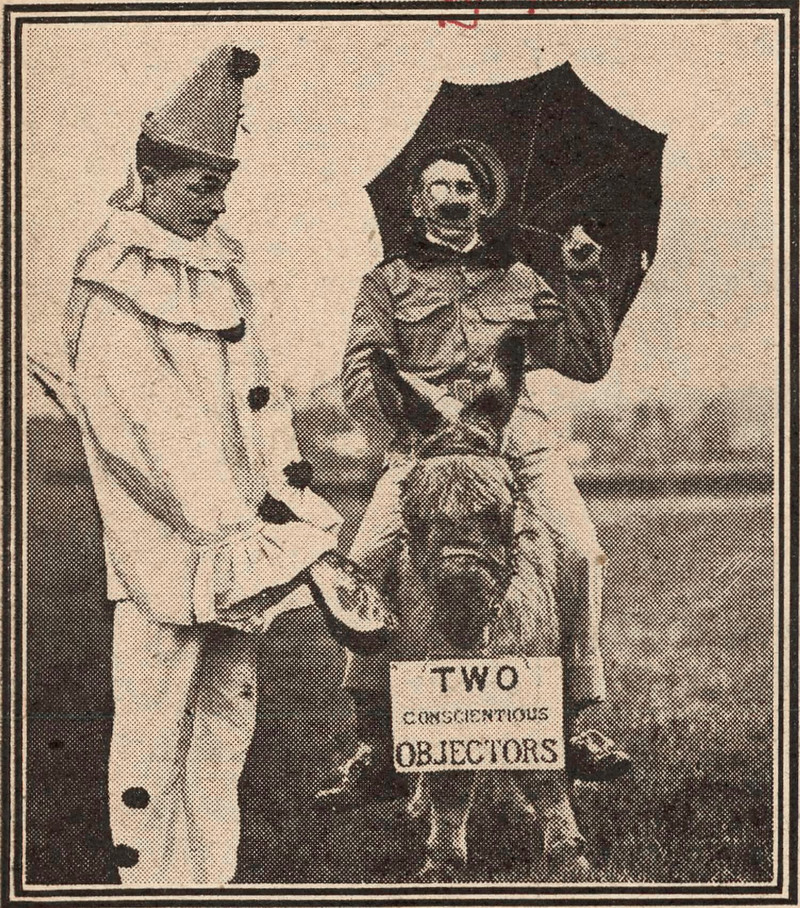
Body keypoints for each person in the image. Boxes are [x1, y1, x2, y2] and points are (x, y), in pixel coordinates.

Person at [62, 45, 388, 885]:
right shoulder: (112, 284)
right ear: (149, 179)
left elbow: (262, 409)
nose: (217, 205)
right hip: (167, 549)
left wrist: (286, 505)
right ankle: (149, 883)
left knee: (224, 721)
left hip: (244, 540)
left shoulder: (219, 277)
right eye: (202, 187)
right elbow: (150, 435)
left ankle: (211, 880)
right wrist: (257, 539)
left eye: (222, 188)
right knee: (154, 726)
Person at [315, 140, 631, 810]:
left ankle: (576, 723)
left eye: (467, 187)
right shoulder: (386, 283)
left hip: (518, 446)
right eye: (440, 185)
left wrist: (582, 278)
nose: (454, 197)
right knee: (365, 564)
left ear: (485, 203)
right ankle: (377, 740)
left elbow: (586, 361)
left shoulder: (521, 278)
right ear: (417, 201)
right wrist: (416, 422)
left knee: (579, 552)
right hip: (422, 450)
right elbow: (358, 374)